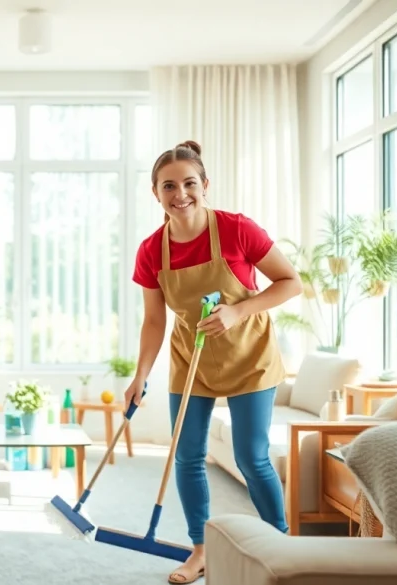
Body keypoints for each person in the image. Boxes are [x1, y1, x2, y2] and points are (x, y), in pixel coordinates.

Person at [124, 140, 301, 584]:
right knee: (186, 457)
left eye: (188, 183)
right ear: (155, 193)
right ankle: (200, 550)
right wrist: (140, 374)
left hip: (250, 357)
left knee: (251, 457)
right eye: (169, 186)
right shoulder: (151, 251)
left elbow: (291, 283)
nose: (179, 193)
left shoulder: (237, 229)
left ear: (205, 185)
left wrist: (239, 310)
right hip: (192, 359)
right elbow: (152, 320)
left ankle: (279, 547)